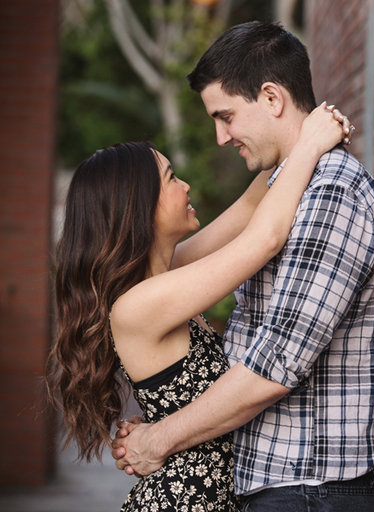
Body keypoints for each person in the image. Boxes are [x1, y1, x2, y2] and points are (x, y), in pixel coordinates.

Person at [111, 20, 374, 512]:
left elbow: (276, 366)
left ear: (271, 98)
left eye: (226, 116)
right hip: (287, 486)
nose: (221, 137)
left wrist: (158, 438)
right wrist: (307, 143)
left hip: (310, 490)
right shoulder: (290, 187)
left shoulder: (328, 193)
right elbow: (257, 226)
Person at [47, 103, 350, 512]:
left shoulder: (167, 275)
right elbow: (263, 239)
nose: (185, 186)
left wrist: (293, 128)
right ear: (139, 204)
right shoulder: (139, 305)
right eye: (171, 178)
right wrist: (312, 143)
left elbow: (248, 209)